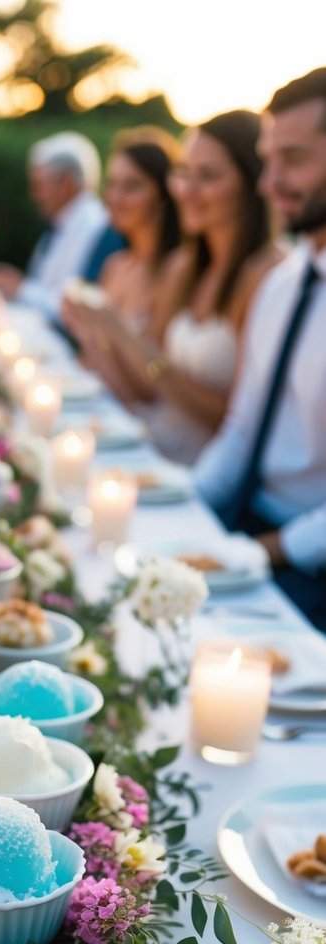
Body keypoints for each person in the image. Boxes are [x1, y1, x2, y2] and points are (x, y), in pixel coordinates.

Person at [69, 110, 283, 465]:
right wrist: (93, 333)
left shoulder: (266, 275)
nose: (187, 190)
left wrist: (125, 337)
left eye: (208, 176)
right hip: (153, 446)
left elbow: (237, 421)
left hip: (201, 469)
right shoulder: (184, 267)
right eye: (183, 173)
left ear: (251, 182)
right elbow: (145, 391)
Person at [195, 67, 326, 630]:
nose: (268, 184)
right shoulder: (284, 279)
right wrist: (186, 510)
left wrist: (266, 551)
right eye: (268, 160)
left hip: (307, 564)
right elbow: (242, 428)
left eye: (292, 160)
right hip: (246, 528)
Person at [61, 127, 182, 367]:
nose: (115, 198)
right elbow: (88, 362)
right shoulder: (115, 266)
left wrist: (101, 331)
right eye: (112, 184)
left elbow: (150, 386)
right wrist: (83, 329)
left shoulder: (174, 271)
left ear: (163, 195)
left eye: (132, 186)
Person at [0, 132, 123, 319]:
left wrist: (21, 289)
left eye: (39, 185)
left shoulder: (98, 228)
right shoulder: (58, 227)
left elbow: (77, 306)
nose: (34, 194)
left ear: (66, 183)